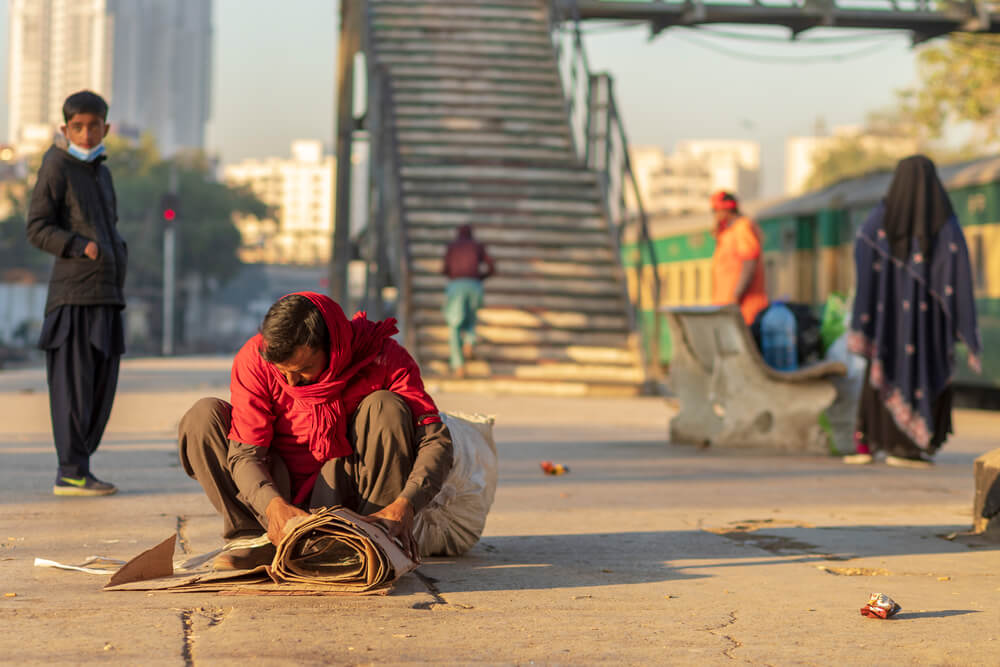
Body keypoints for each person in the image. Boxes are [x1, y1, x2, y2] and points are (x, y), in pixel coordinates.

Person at [178, 292, 453, 569]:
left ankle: (373, 540)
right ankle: (255, 541)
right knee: (203, 416)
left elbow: (434, 440)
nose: (292, 381)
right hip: (275, 494)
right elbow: (245, 455)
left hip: (349, 490)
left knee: (387, 406)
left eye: (304, 369)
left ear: (333, 347)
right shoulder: (255, 359)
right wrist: (273, 507)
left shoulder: (382, 356)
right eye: (283, 372)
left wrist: (407, 502)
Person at [844, 155, 981, 468]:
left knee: (880, 372)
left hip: (884, 326)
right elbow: (958, 276)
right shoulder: (945, 226)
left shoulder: (876, 223)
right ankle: (913, 446)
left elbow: (863, 263)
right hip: (929, 333)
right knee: (925, 370)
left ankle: (871, 441)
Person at [25, 91, 126, 497]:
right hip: (72, 298)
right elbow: (36, 227)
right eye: (78, 127)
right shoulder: (56, 165)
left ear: (106, 128)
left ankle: (81, 468)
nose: (86, 134)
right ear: (65, 129)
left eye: (94, 126)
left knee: (101, 389)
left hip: (106, 295)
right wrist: (78, 245)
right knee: (73, 388)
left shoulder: (102, 172)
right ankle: (70, 471)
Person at [441, 225, 495, 377]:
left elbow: (444, 268)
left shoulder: (452, 246)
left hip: (456, 285)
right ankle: (470, 342)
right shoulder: (477, 246)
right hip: (474, 285)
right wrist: (480, 277)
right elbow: (491, 266)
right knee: (471, 319)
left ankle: (458, 365)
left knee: (454, 326)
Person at [709, 191, 768, 326]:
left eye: (716, 211)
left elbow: (749, 262)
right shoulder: (727, 233)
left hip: (743, 310)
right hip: (727, 309)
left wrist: (735, 298)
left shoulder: (742, 228)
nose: (715, 216)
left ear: (726, 210)